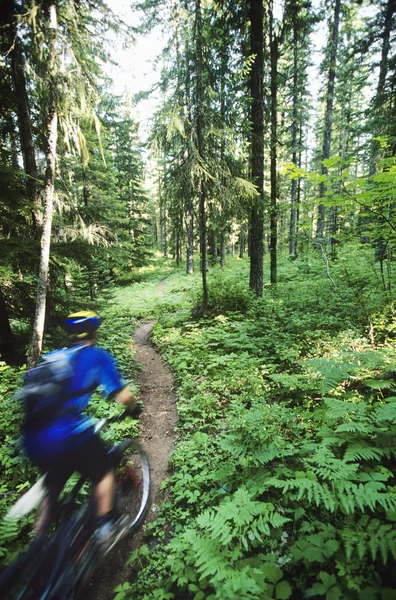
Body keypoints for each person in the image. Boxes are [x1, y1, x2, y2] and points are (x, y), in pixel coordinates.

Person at [22, 310, 138, 546]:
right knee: (104, 472)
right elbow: (121, 394)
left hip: (33, 438)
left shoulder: (53, 357)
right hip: (68, 435)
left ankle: (37, 546)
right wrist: (133, 408)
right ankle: (107, 527)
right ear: (94, 332)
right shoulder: (96, 357)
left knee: (51, 485)